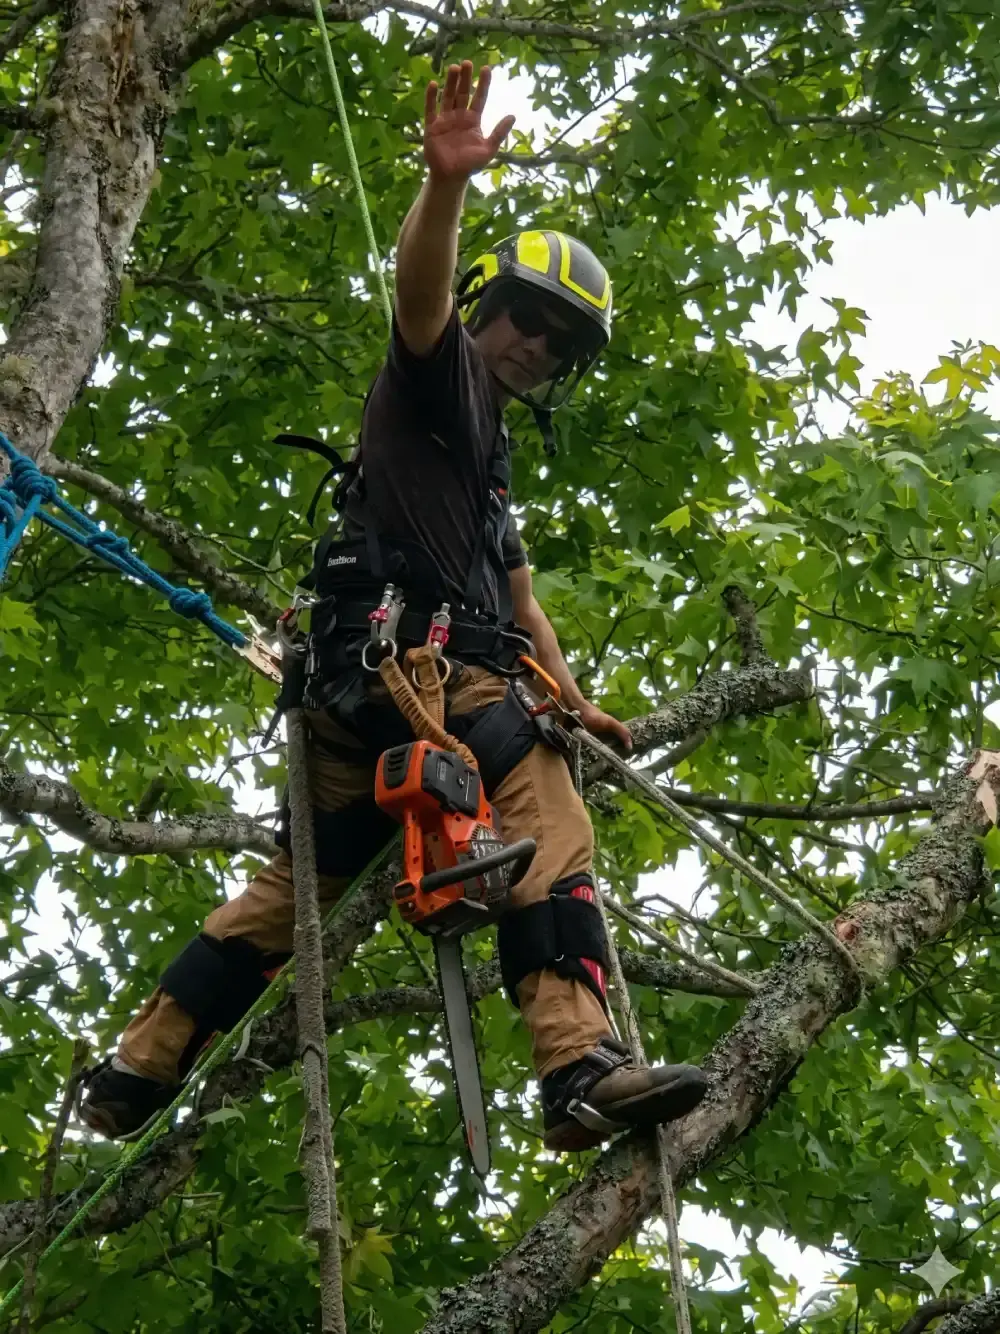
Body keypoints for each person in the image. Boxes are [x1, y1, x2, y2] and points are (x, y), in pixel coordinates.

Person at [80, 60, 708, 1151]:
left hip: (357, 696)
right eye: (523, 317)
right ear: (488, 307)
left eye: (556, 342)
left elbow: (519, 602)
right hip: (412, 675)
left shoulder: (485, 470)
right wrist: (446, 185)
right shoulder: (442, 382)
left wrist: (579, 697)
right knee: (546, 804)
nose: (532, 344)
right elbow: (419, 300)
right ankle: (578, 1066)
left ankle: (135, 1071)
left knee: (302, 885)